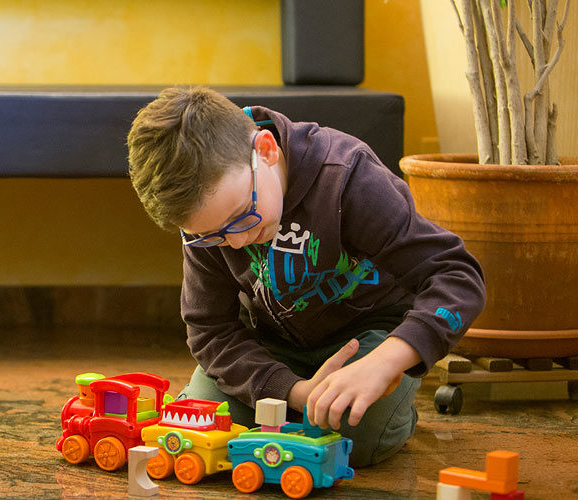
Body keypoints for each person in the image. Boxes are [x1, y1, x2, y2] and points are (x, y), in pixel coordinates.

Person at [126, 86, 485, 467]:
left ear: (265, 150)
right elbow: (209, 330)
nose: (235, 241)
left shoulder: (346, 176)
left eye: (241, 215)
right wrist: (293, 391)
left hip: (367, 339)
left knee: (353, 443)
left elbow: (457, 275)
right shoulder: (212, 224)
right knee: (202, 429)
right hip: (273, 346)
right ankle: (303, 409)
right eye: (211, 235)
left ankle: (395, 408)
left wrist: (385, 362)